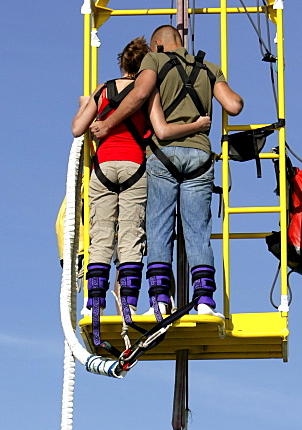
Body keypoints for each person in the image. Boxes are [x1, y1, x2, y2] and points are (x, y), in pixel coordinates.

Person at [90, 25, 243, 317]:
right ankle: (204, 301)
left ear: (157, 45)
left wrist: (109, 124)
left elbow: (139, 94)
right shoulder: (209, 68)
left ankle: (161, 300)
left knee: (159, 228)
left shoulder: (155, 61)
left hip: (163, 154)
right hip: (199, 154)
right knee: (197, 230)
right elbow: (234, 105)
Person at [73, 36, 210, 326]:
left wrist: (85, 105)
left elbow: (77, 129)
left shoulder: (103, 90)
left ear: (121, 63)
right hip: (135, 165)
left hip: (104, 165)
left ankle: (92, 303)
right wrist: (197, 125)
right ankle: (130, 303)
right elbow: (161, 129)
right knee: (131, 235)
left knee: (101, 234)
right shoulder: (148, 93)